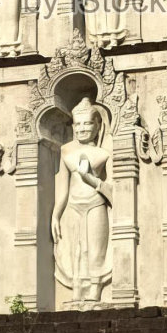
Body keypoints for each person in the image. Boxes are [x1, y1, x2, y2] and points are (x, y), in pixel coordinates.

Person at [51, 98, 113, 306]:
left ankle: (94, 293)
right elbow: (62, 188)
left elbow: (114, 191)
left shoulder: (104, 153)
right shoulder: (66, 151)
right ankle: (78, 294)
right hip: (72, 207)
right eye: (77, 124)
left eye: (87, 123)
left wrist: (91, 179)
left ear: (97, 125)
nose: (82, 128)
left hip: (96, 204)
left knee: (95, 251)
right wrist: (56, 215)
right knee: (74, 250)